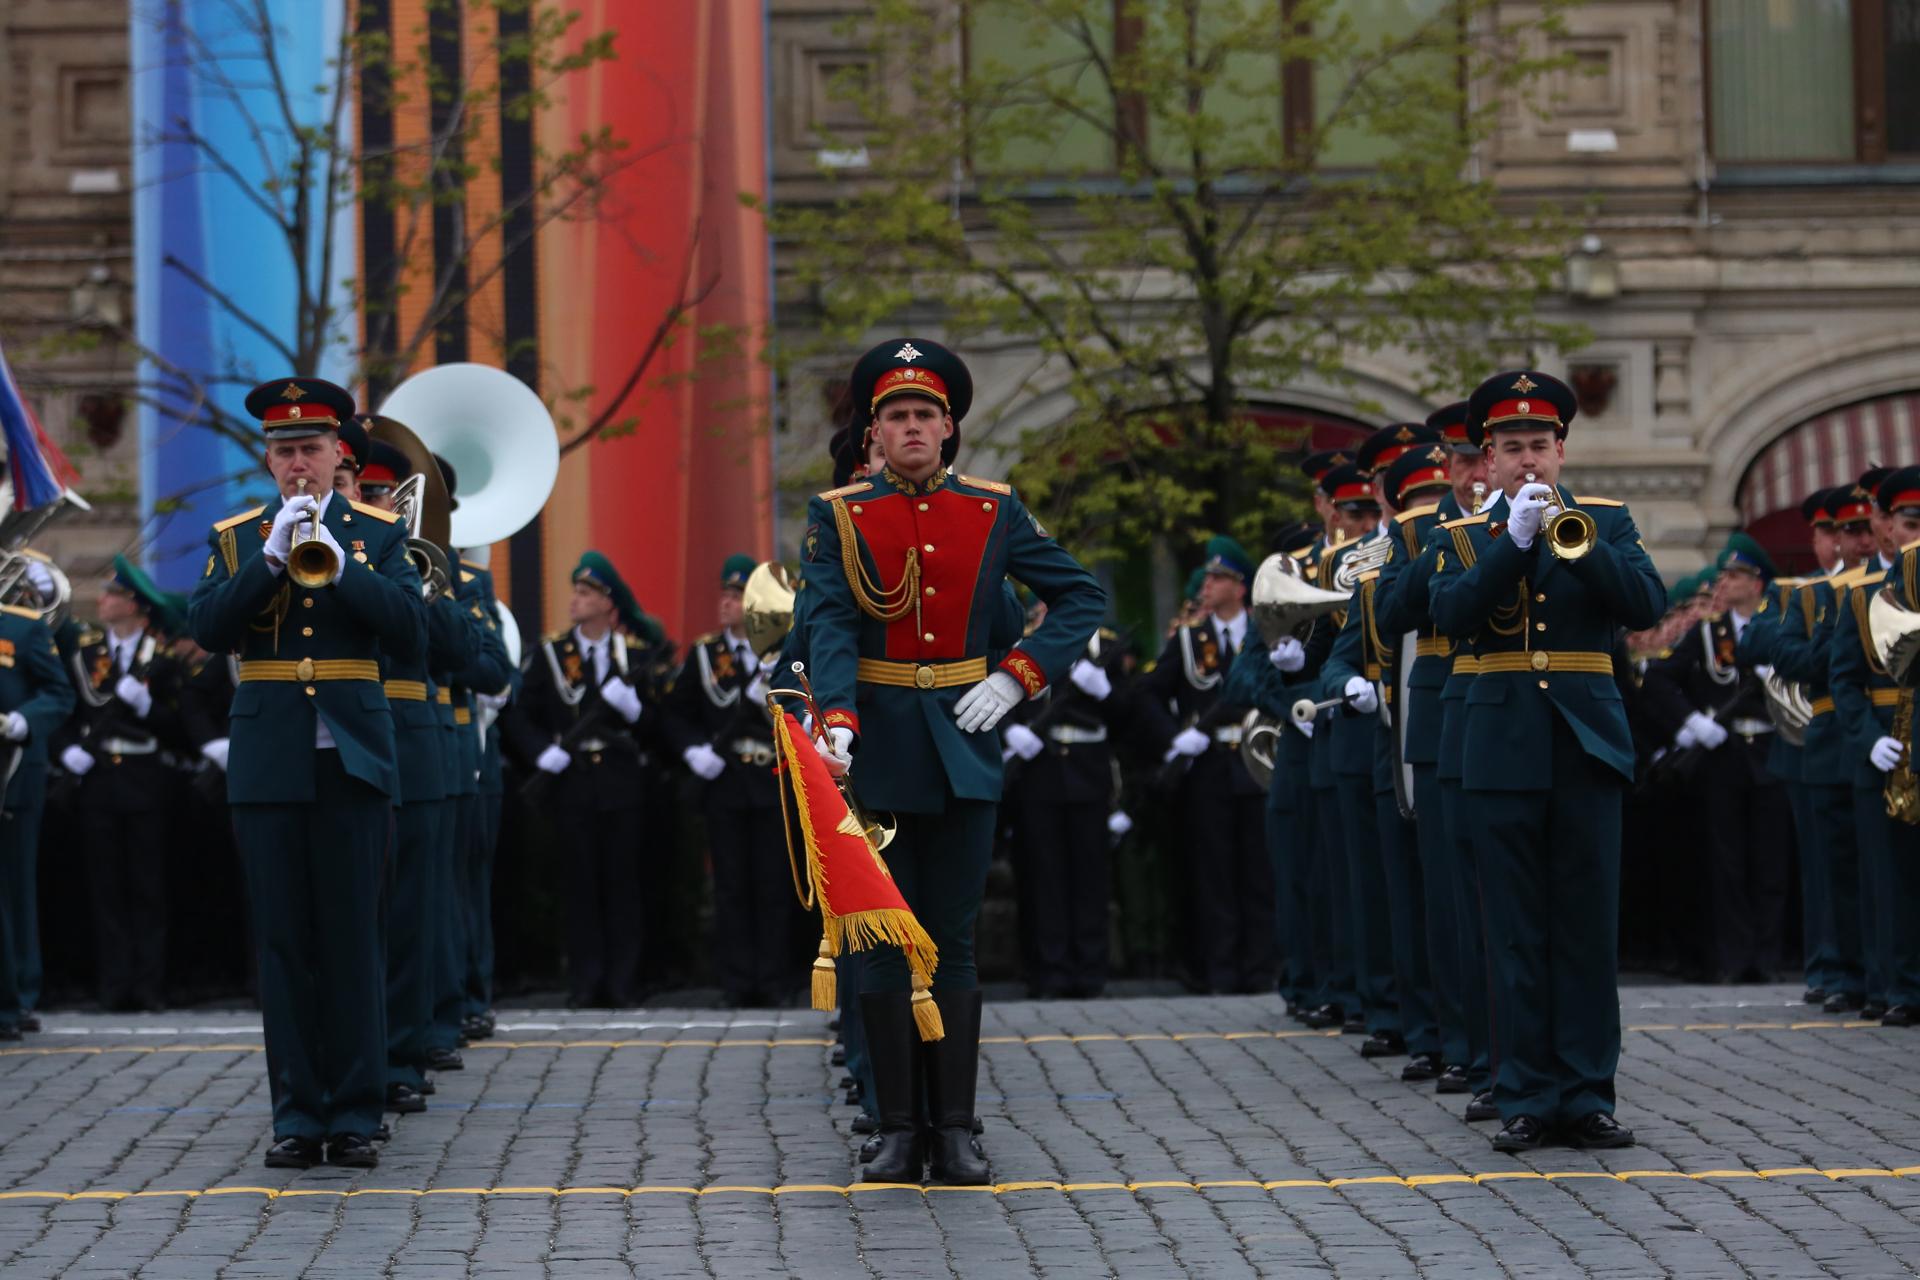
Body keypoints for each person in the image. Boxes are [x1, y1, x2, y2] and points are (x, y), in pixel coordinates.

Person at [802, 337, 1104, 1185]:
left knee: (956, 941)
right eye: (895, 416)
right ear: (876, 428)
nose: (910, 428)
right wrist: (837, 718)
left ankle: (957, 1128)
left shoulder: (993, 510)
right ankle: (899, 1129)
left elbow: (1080, 595)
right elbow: (828, 622)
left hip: (968, 739)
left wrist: (1019, 678)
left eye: (924, 415)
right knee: (882, 942)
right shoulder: (840, 514)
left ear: (949, 428)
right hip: (879, 745)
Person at [188, 375, 424, 1170]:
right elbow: (210, 625)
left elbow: (411, 628)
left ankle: (356, 1112)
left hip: (353, 759)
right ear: (269, 460)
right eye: (285, 452)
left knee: (353, 938)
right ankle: (298, 1114)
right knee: (284, 943)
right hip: (269, 760)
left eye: (311, 451)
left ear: (335, 453)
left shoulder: (379, 534)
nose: (299, 466)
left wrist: (340, 564)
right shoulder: (236, 538)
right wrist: (270, 556)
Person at [1428, 369, 1665, 1153]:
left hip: (1587, 745)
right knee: (1515, 932)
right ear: (1486, 460)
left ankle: (1588, 1094)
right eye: (1510, 449)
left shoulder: (1607, 521)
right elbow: (1455, 617)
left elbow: (1644, 605)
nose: (1527, 461)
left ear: (1561, 451)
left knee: (1586, 930)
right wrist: (1515, 542)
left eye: (1539, 446)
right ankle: (1526, 1094)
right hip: (1499, 748)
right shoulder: (1461, 537)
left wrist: (1574, 537)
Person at [505, 551, 658, 1008]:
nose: (576, 599)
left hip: (620, 781)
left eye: (586, 592)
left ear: (608, 603)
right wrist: (540, 752)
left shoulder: (632, 656)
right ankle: (585, 982)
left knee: (623, 884)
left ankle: (623, 983)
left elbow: (659, 725)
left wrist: (634, 710)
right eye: (576, 590)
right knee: (579, 885)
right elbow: (520, 716)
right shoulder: (552, 653)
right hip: (572, 784)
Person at [1643, 533, 1795, 982]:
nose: (1725, 582)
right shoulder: (1710, 633)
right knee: (1726, 863)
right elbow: (1657, 679)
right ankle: (1734, 958)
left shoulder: (1782, 627)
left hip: (1771, 750)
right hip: (1724, 755)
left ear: (1758, 582)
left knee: (1771, 862)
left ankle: (1766, 960)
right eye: (1725, 574)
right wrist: (1692, 723)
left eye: (1736, 575)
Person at [1141, 535, 1274, 996]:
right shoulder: (1189, 639)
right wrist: (1178, 737)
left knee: (1258, 871)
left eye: (1218, 578)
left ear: (1239, 587)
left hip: (1255, 762)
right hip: (1211, 767)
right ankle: (1222, 971)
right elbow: (1150, 694)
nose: (1208, 585)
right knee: (1214, 874)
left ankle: (1260, 970)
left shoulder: (1265, 635)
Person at [56, 556, 183, 1011]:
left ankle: (149, 987)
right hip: (99, 783)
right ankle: (113, 986)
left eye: (113, 595)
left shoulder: (162, 662)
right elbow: (67, 712)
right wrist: (65, 748)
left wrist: (148, 708)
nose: (103, 601)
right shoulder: (86, 656)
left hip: (145, 780)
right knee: (105, 888)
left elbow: (180, 727)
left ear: (136, 607)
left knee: (148, 888)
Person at [664, 554, 789, 1007]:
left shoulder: (779, 653)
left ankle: (774, 981)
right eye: (724, 594)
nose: (726, 604)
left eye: (736, 596)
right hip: (726, 785)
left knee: (773, 886)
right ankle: (737, 982)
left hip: (772, 782)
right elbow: (676, 714)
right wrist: (694, 750)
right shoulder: (704, 654)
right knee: (732, 886)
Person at [0, 593, 74, 1039]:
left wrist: (22, 722)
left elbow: (58, 693)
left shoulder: (22, 627)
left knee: (14, 884)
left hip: (13, 772)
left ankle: (20, 993)